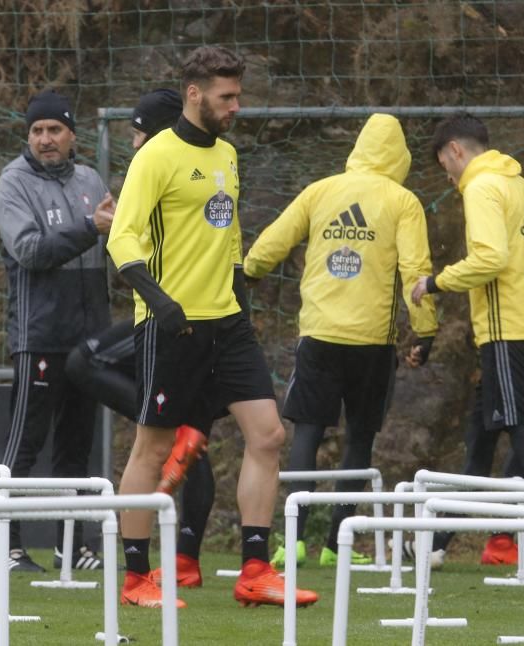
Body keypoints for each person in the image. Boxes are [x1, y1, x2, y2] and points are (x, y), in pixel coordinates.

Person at [106, 45, 318, 609]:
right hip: (170, 326)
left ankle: (254, 570)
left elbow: (230, 243)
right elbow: (121, 239)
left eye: (238, 95)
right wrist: (160, 302)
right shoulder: (156, 156)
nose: (236, 106)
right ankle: (136, 578)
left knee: (268, 435)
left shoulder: (227, 154)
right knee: (152, 449)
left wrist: (241, 310)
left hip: (227, 324)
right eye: (227, 96)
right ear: (194, 93)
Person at [241, 113, 438, 568]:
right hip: (373, 341)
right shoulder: (402, 201)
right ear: (401, 156)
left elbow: (275, 239)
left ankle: (292, 542)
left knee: (307, 432)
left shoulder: (321, 191)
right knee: (360, 439)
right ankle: (336, 546)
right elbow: (416, 271)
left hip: (319, 333)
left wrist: (248, 273)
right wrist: (425, 330)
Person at [65, 88, 215, 588]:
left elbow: (132, 242)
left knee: (88, 368)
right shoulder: (182, 169)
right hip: (200, 315)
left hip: (171, 316)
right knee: (190, 436)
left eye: (140, 133)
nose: (134, 143)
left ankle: (144, 568)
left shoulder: (187, 165)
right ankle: (186, 559)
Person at [409, 113, 524, 568]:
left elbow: (490, 258)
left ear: (455, 150)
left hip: (508, 332)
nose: (448, 177)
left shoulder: (482, 187)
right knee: (482, 441)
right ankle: (437, 541)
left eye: (445, 166)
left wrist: (435, 282)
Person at [0, 89, 115, 572]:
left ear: (72, 136)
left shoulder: (89, 180)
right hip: (39, 335)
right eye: (37, 131)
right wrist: (89, 227)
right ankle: (6, 546)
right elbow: (30, 251)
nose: (45, 139)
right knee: (24, 443)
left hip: (89, 341)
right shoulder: (12, 183)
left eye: (55, 130)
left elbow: (109, 244)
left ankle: (71, 546)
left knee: (75, 449)